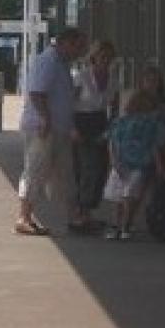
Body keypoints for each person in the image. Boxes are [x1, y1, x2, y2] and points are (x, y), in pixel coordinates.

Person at [17, 27, 89, 236]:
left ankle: (74, 216)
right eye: (78, 46)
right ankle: (24, 216)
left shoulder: (62, 64)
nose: (80, 52)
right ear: (66, 42)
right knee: (36, 170)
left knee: (65, 174)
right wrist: (46, 118)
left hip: (59, 128)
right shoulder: (48, 61)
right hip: (43, 127)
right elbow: (37, 92)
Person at [105, 88, 165, 240]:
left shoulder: (121, 121)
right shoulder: (154, 122)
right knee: (131, 196)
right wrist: (160, 166)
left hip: (120, 162)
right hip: (140, 164)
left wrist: (113, 161)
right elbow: (156, 146)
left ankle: (116, 225)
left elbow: (112, 142)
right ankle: (125, 227)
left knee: (118, 197)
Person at [71, 40, 120, 233]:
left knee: (100, 169)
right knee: (86, 167)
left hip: (100, 122)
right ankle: (80, 213)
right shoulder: (82, 77)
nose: (105, 61)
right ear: (94, 57)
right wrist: (72, 128)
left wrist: (109, 131)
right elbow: (70, 102)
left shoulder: (113, 79)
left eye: (109, 57)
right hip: (81, 120)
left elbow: (114, 109)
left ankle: (88, 211)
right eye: (102, 57)